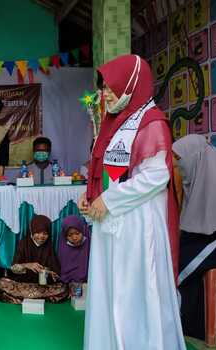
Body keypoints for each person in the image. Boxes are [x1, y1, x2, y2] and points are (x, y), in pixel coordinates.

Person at [79, 54, 185, 350]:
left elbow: (156, 176)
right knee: (109, 289)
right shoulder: (113, 122)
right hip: (110, 220)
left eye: (112, 88)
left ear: (132, 84)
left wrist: (109, 200)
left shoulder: (152, 122)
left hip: (138, 224)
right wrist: (90, 197)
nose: (106, 94)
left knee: (135, 292)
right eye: (104, 88)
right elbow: (102, 168)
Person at [172, 134, 216, 340]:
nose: (178, 166)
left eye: (179, 160)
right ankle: (191, 322)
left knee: (184, 263)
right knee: (183, 250)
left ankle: (187, 321)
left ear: (193, 157)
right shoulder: (203, 172)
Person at [0, 215, 67, 304]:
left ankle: (21, 298)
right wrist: (27, 265)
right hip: (22, 284)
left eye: (45, 233)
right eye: (38, 232)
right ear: (32, 231)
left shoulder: (49, 247)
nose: (41, 236)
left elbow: (56, 274)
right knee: (1, 283)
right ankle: (38, 298)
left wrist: (50, 273)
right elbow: (13, 268)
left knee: (63, 287)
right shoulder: (24, 243)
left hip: (42, 286)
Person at [57, 215, 90, 285]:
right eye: (70, 235)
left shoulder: (89, 244)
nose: (74, 237)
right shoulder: (64, 247)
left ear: (83, 231)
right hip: (67, 284)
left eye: (77, 233)